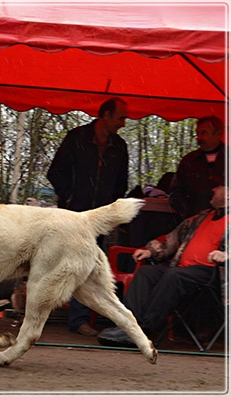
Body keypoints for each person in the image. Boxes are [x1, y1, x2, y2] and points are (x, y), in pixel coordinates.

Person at [97, 184, 228, 347]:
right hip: (182, 269)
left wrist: (226, 255)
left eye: (220, 187)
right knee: (147, 272)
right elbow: (174, 238)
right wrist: (151, 252)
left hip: (214, 273)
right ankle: (129, 326)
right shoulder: (202, 218)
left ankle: (145, 329)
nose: (213, 189)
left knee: (174, 276)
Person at [47, 97, 129, 336]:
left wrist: (110, 210)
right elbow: (55, 172)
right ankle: (40, 312)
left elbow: (121, 184)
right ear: (105, 115)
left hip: (98, 220)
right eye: (121, 117)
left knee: (88, 267)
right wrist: (70, 198)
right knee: (57, 263)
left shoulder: (120, 147)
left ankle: (79, 319)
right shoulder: (76, 138)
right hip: (72, 215)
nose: (124, 123)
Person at [169, 115, 226, 220]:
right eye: (197, 133)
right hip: (194, 221)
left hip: (224, 222)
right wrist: (188, 214)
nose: (199, 138)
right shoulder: (189, 160)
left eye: (204, 133)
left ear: (218, 134)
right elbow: (175, 192)